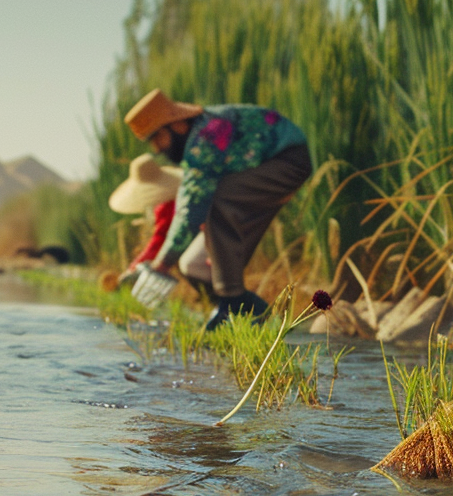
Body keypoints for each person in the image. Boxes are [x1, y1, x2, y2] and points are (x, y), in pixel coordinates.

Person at [123, 89, 312, 330]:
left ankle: (231, 303)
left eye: (158, 137)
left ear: (177, 124)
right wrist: (169, 260)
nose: (158, 149)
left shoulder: (205, 138)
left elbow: (192, 209)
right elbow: (192, 202)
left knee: (220, 199)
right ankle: (250, 314)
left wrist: (161, 264)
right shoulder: (199, 141)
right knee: (192, 264)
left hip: (288, 159)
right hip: (262, 168)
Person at [110, 153, 215, 297]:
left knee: (187, 262)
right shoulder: (175, 196)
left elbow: (160, 239)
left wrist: (133, 268)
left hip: (209, 241)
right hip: (208, 238)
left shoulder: (167, 205)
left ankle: (219, 302)